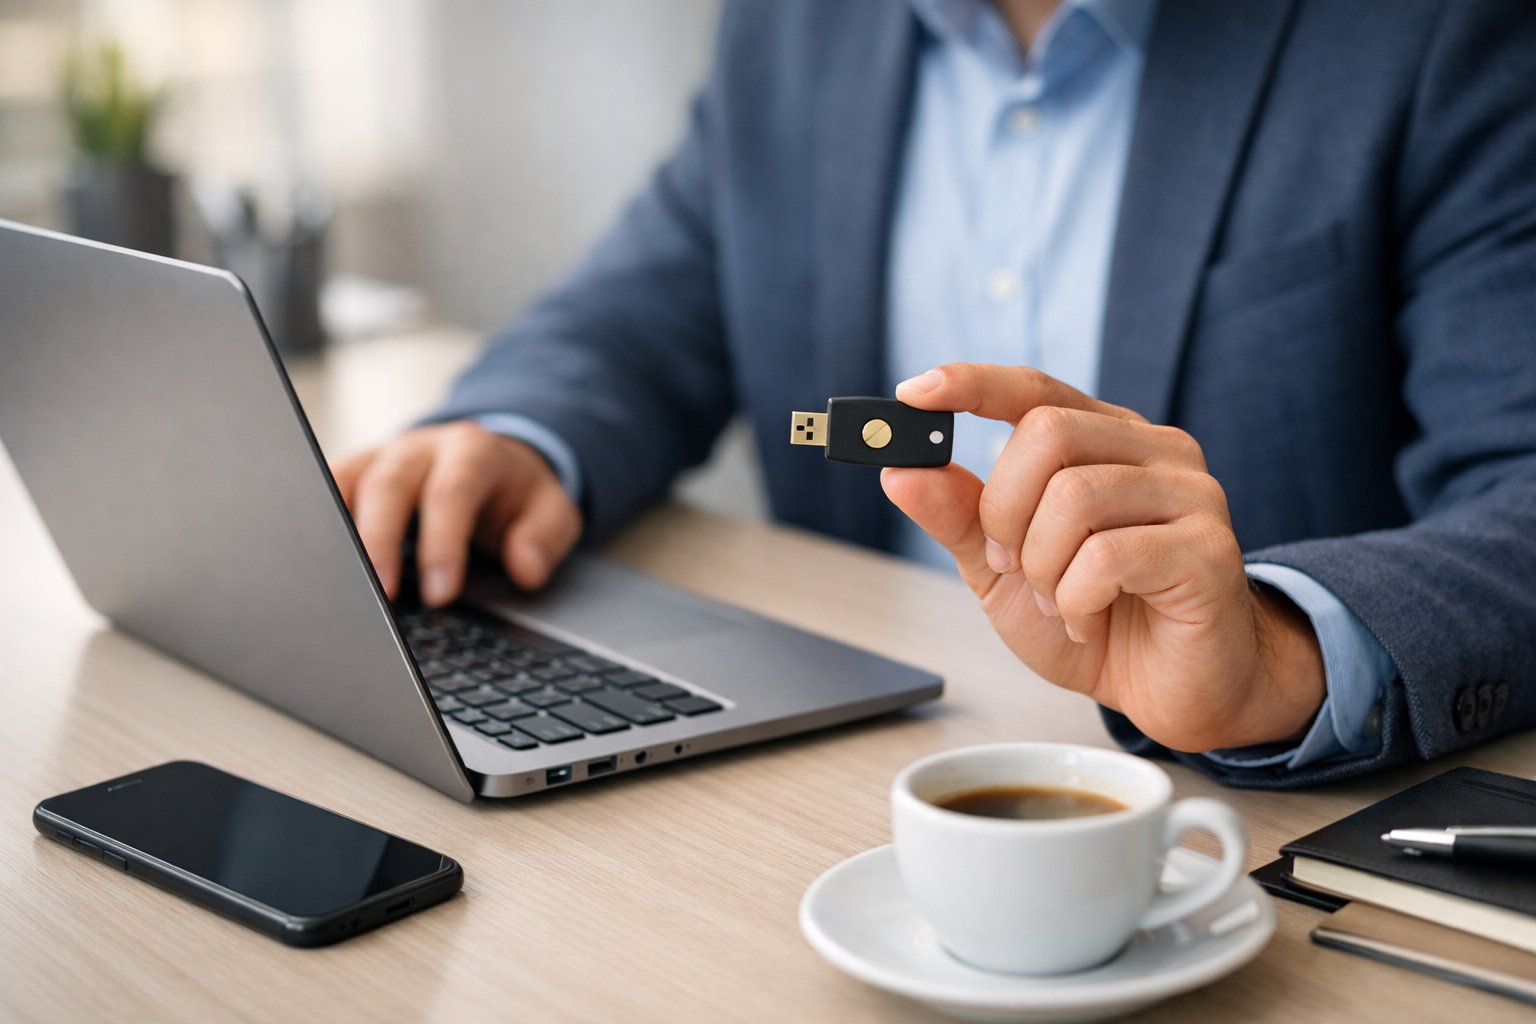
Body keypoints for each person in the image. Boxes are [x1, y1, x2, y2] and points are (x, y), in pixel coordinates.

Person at [333, 0, 1536, 788]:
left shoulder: (1431, 35)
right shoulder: (792, 27)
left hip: (1216, 813)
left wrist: (1283, 654)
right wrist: (509, 434)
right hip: (834, 783)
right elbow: (652, 299)